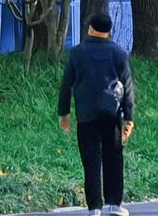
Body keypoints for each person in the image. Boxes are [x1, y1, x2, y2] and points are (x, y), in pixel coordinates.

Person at [58, 12, 135, 216]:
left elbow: (66, 85)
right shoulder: (119, 53)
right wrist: (129, 117)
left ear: (90, 28)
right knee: (114, 158)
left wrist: (63, 113)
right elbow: (127, 87)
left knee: (91, 162)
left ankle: (94, 208)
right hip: (112, 116)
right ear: (108, 31)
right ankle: (114, 205)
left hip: (86, 116)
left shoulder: (77, 53)